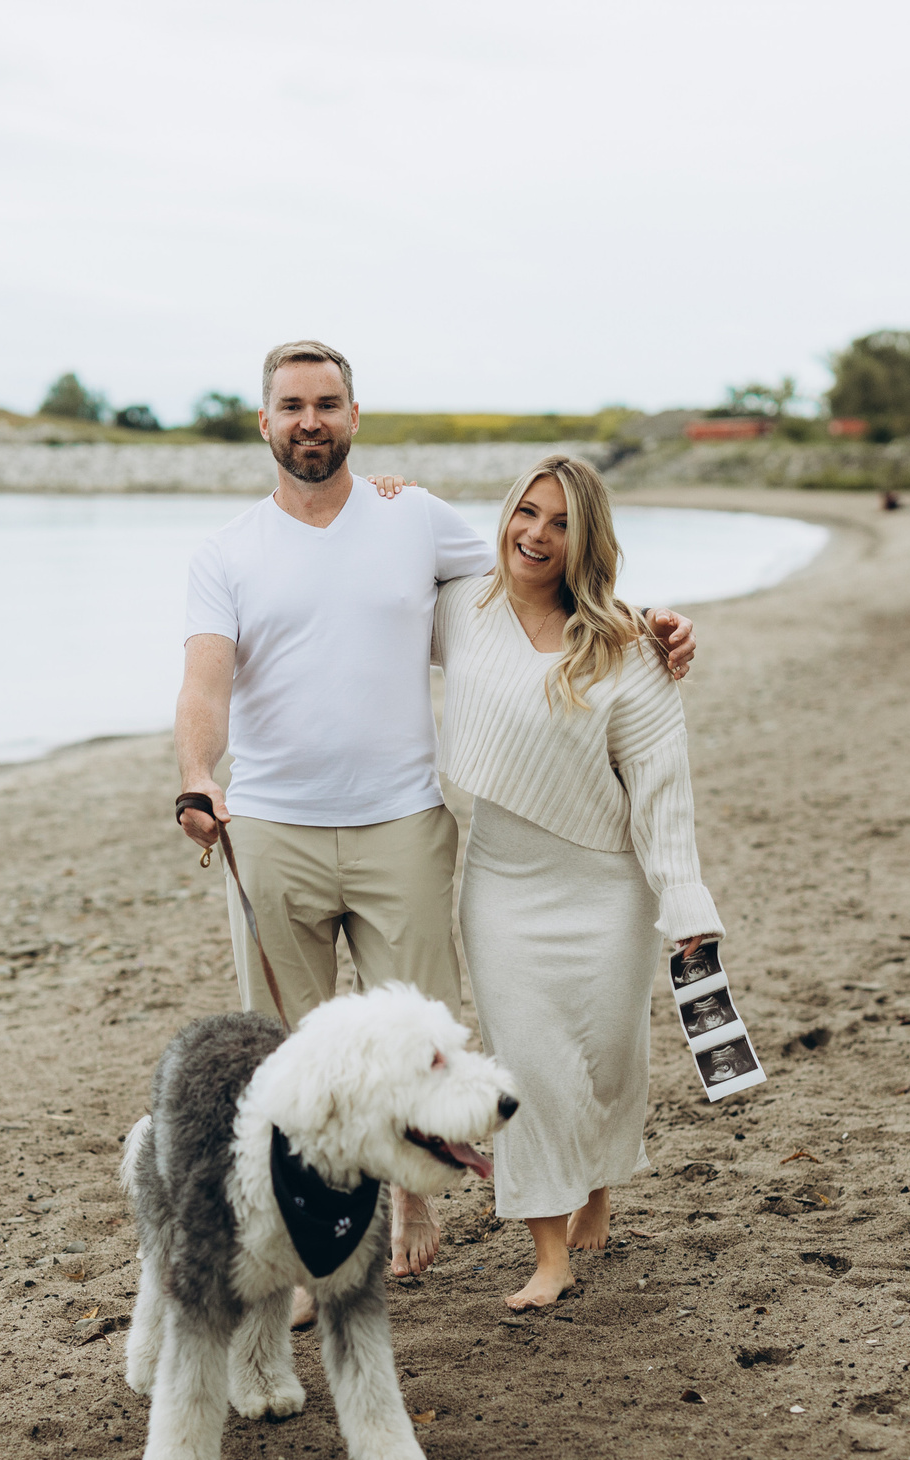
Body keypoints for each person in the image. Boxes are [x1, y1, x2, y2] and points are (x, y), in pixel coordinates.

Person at [173, 341, 697, 1305]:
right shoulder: (226, 553)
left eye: (327, 402)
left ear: (355, 416)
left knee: (424, 1043)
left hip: (404, 828)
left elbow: (543, 577)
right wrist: (198, 776)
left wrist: (651, 624)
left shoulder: (412, 518)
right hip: (275, 828)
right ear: (265, 421)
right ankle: (313, 1252)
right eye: (291, 404)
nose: (309, 420)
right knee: (294, 1059)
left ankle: (413, 1197)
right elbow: (205, 681)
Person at [420, 453, 725, 1311]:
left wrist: (685, 904)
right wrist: (387, 495)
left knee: (607, 1057)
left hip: (608, 884)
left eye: (560, 523)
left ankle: (598, 1186)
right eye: (526, 511)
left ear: (586, 539)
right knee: (529, 1062)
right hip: (502, 881)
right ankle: (548, 1253)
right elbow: (362, 605)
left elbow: (662, 789)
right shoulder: (457, 607)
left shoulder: (627, 644)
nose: (536, 534)